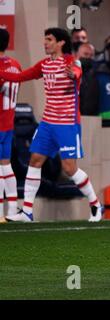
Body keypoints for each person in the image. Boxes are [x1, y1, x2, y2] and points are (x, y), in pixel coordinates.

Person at [0, 28, 103, 223]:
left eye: (49, 39)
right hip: (47, 123)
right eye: (45, 39)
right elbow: (19, 77)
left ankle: (96, 204)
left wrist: (74, 74)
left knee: (69, 168)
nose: (45, 43)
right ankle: (27, 213)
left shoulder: (71, 61)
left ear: (61, 42)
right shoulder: (44, 64)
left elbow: (77, 73)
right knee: (35, 160)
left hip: (67, 123)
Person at [0, 29, 21, 220]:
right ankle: (12, 209)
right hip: (9, 121)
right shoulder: (15, 65)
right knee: (5, 165)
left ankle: (0, 213)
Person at [75, 42, 97, 116]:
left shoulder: (96, 74)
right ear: (77, 55)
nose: (88, 57)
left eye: (91, 55)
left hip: (92, 118)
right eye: (85, 54)